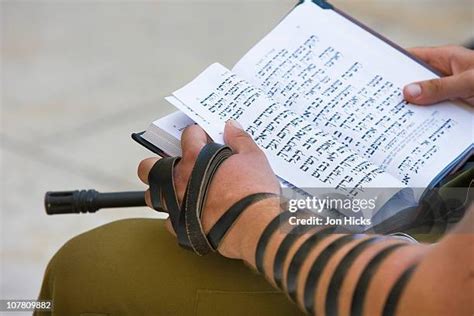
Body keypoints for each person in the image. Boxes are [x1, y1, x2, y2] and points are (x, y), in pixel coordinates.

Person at [37, 45, 474, 315]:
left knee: (94, 267)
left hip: (431, 273)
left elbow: (433, 301)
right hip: (449, 207)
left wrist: (248, 217)